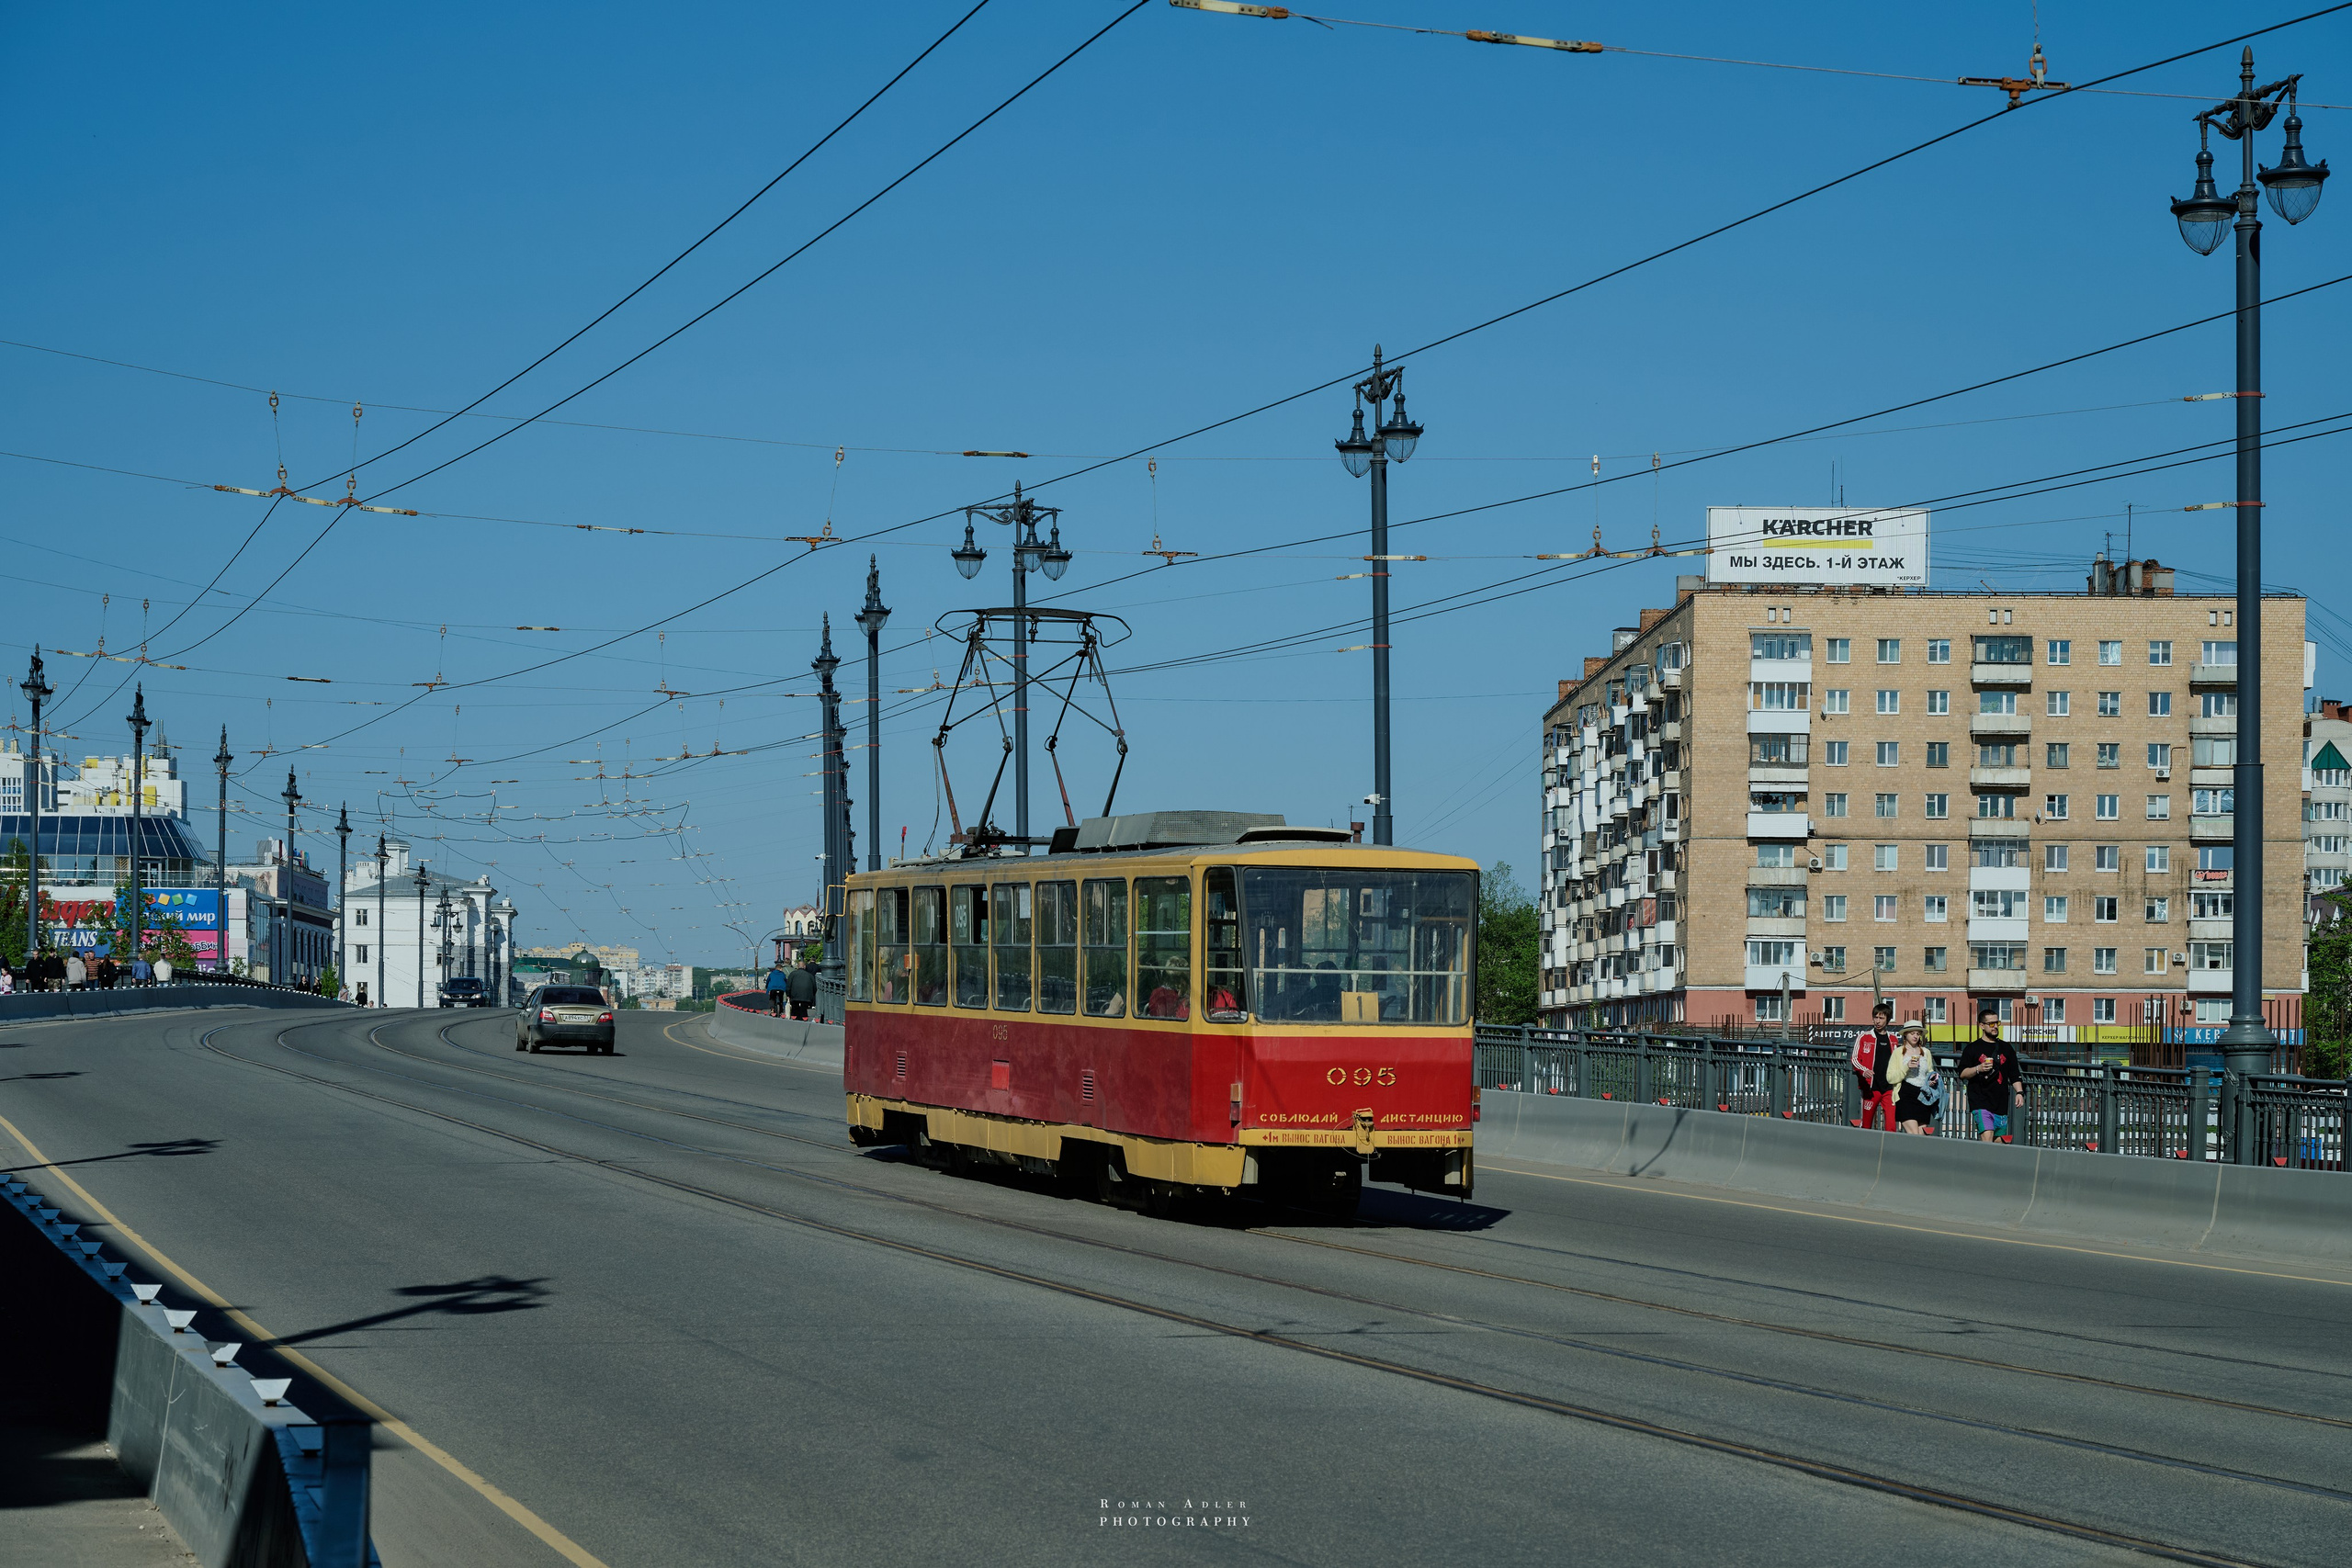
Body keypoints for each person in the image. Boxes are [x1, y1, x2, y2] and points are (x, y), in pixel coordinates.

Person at [1957, 1008, 2021, 1142]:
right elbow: (1962, 1073)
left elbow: (2014, 1074)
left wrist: (2019, 1092)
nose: (1995, 1026)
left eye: (1997, 1023)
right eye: (1991, 1024)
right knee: (1987, 1139)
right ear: (1982, 1026)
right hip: (1980, 1101)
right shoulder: (1972, 1048)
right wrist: (1978, 1068)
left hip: (2001, 1103)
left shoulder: (2006, 1048)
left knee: (2000, 1142)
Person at [1848, 999, 1901, 1133]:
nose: (1877, 1021)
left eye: (1881, 1018)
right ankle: (1864, 1144)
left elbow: (1898, 1061)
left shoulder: (1893, 1039)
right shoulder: (1864, 1037)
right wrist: (1864, 1070)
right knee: (1866, 1124)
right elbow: (1855, 1059)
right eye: (1875, 1017)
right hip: (1871, 1087)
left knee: (1891, 1125)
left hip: (1889, 1088)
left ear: (1887, 1020)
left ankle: (1889, 1145)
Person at [1894, 1021, 1941, 1135]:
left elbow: (1930, 1071)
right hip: (1906, 1093)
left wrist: (1932, 1079)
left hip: (1923, 1095)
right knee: (1913, 1133)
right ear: (1905, 1034)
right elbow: (1891, 1076)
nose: (1915, 1036)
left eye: (1918, 1034)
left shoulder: (1926, 1052)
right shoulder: (1898, 1052)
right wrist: (1907, 1067)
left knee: (1922, 1134)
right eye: (1912, 1033)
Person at [785, 956, 819, 1021]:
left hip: (794, 997)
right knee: (804, 1010)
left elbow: (788, 985)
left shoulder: (792, 974)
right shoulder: (810, 976)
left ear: (797, 967)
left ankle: (795, 1019)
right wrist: (812, 996)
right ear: (804, 967)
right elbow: (814, 987)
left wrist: (788, 995)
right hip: (806, 997)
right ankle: (804, 1019)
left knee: (795, 1010)